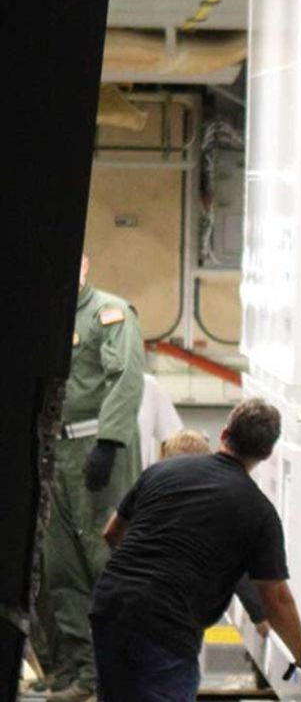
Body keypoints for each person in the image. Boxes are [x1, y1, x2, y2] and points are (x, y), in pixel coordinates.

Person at [91, 398, 301, 701]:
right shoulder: (259, 512)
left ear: (225, 434)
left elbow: (111, 533)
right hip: (166, 628)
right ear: (268, 453)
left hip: (109, 610)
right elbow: (276, 598)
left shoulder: (161, 472)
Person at [36, 254, 147, 701]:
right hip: (52, 452)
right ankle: (77, 675)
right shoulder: (41, 316)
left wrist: (111, 441)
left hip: (97, 450)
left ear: (83, 265)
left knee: (107, 562)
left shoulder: (110, 313)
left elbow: (125, 376)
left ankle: (117, 674)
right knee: (58, 567)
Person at [156, 429, 271, 638]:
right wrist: (261, 616)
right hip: (174, 614)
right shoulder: (207, 507)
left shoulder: (151, 493)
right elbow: (234, 565)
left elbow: (112, 533)